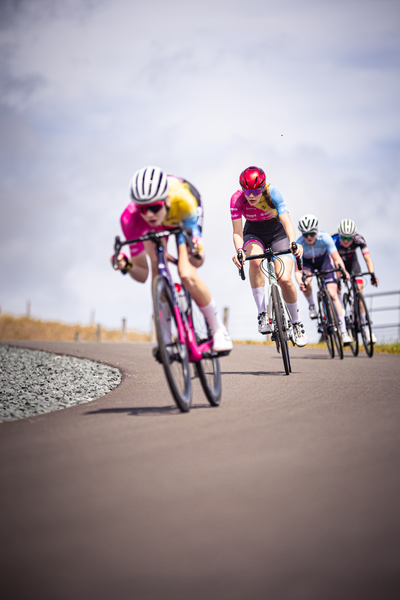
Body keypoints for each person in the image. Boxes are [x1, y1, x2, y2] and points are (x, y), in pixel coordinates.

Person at [113, 166, 233, 354]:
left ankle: (219, 330)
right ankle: (166, 338)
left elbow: (198, 259)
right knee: (155, 267)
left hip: (179, 218)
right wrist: (126, 265)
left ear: (166, 200)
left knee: (186, 271)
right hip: (157, 227)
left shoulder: (183, 200)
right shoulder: (130, 219)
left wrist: (195, 249)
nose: (149, 214)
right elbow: (142, 274)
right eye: (143, 209)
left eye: (154, 207)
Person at [231, 165, 307, 347]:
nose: (250, 195)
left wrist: (293, 242)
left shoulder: (273, 193)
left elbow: (286, 221)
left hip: (277, 234)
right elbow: (237, 231)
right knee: (255, 262)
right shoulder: (236, 199)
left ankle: (296, 324)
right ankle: (262, 314)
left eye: (255, 191)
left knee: (285, 280)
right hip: (253, 234)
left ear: (263, 187)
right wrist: (239, 251)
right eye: (246, 191)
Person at [294, 214, 352, 344]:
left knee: (333, 294)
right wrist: (300, 282)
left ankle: (343, 331)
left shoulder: (325, 237)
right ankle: (312, 306)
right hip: (307, 264)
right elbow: (297, 270)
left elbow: (337, 259)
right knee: (306, 281)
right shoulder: (299, 243)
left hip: (323, 262)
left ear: (317, 232)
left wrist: (343, 272)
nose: (309, 237)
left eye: (312, 234)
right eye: (306, 234)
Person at [332, 218, 379, 344]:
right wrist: (338, 279)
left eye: (349, 238)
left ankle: (365, 327)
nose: (346, 241)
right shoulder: (334, 240)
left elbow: (367, 258)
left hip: (353, 265)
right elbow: (332, 262)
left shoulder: (359, 239)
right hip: (338, 265)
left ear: (354, 237)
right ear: (339, 235)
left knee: (359, 290)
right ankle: (341, 315)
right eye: (343, 238)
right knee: (336, 289)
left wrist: (372, 275)